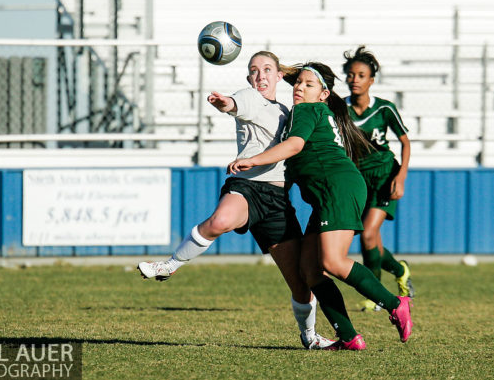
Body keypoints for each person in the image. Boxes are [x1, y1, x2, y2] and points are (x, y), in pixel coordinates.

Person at [138, 51, 334, 350]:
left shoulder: (292, 112)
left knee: (299, 282)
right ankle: (170, 264)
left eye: (267, 69)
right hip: (247, 186)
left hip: (277, 199)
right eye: (254, 70)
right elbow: (234, 103)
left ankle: (309, 337)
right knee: (220, 221)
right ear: (248, 78)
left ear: (279, 75)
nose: (261, 76)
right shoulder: (251, 98)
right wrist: (224, 103)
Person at [228, 62, 414, 346]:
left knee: (332, 262)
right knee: (310, 271)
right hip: (332, 189)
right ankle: (349, 337)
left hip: (336, 187)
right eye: (298, 83)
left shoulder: (306, 110)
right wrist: (280, 69)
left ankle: (394, 303)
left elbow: (294, 146)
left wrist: (253, 160)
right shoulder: (314, 109)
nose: (300, 88)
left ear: (324, 94)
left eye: (308, 84)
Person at [342, 46, 414, 312]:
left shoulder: (385, 109)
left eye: (361, 75)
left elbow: (406, 143)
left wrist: (401, 176)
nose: (355, 79)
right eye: (351, 74)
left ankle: (375, 296)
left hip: (384, 175)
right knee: (369, 240)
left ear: (371, 80)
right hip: (358, 179)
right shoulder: (340, 109)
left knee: (369, 234)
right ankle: (400, 270)